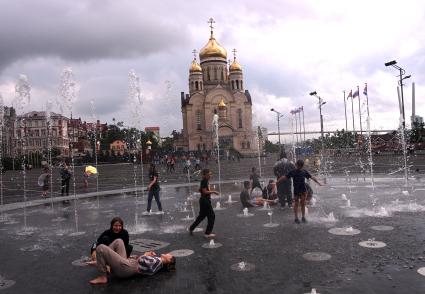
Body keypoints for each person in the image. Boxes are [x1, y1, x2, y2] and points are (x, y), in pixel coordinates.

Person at [88, 239, 176, 285]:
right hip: (127, 264)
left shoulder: (157, 261)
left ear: (169, 260)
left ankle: (103, 277)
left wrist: (146, 254)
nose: (168, 253)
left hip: (126, 268)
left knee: (101, 247)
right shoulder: (157, 262)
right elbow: (144, 264)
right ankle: (101, 261)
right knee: (119, 241)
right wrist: (147, 256)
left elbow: (140, 260)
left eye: (169, 255)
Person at [277, 159, 322, 224]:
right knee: (299, 203)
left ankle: (301, 217)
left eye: (298, 165)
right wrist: (277, 182)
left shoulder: (302, 171)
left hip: (302, 191)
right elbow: (284, 177)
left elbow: (284, 177)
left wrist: (277, 182)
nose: (298, 167)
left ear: (297, 165)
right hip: (300, 190)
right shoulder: (295, 171)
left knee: (300, 203)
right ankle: (297, 217)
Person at [189, 169, 219, 238]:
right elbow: (205, 192)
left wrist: (203, 190)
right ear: (205, 175)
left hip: (203, 200)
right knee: (212, 216)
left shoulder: (205, 181)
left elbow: (200, 190)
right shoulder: (204, 181)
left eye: (211, 174)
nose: (210, 176)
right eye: (209, 174)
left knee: (201, 216)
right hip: (205, 201)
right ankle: (207, 233)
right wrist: (214, 191)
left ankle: (191, 228)